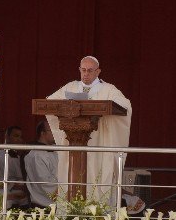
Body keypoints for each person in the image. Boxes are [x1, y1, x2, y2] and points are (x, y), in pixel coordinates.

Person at [46, 55, 132, 207]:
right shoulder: (71, 87)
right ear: (79, 70)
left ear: (98, 72)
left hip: (100, 145)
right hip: (73, 141)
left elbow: (125, 107)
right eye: (83, 70)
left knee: (98, 182)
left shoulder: (108, 89)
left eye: (90, 71)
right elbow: (49, 102)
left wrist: (103, 108)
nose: (86, 74)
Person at [25, 119, 58, 207]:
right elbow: (45, 183)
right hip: (44, 205)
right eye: (52, 130)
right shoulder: (36, 155)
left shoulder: (56, 149)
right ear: (42, 133)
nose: (56, 133)